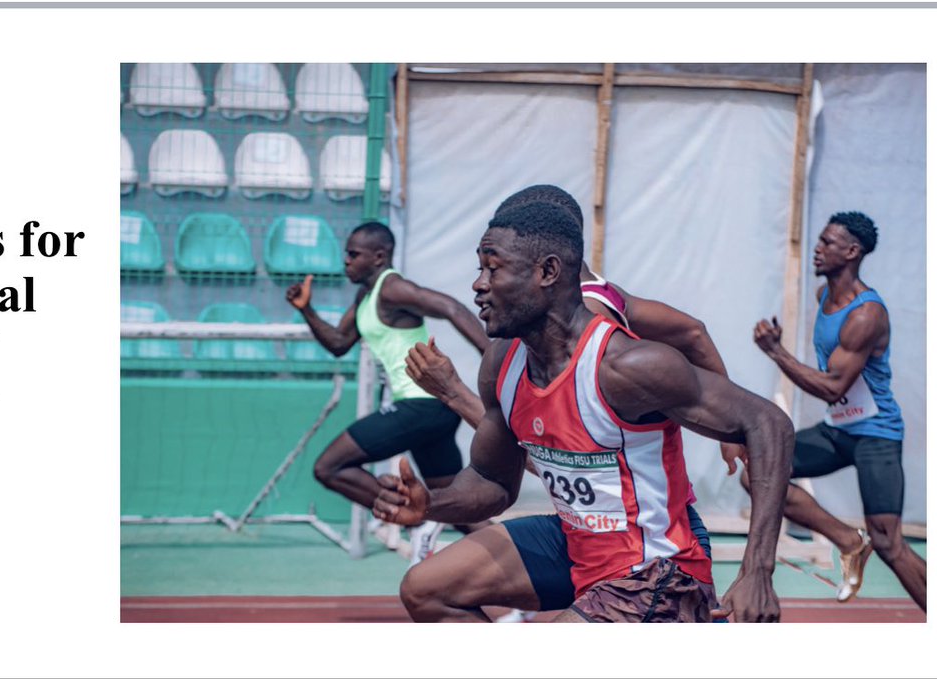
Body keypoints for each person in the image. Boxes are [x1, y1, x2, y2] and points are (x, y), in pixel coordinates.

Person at [373, 201, 793, 622]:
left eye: (492, 268)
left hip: (655, 570)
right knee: (425, 588)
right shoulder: (502, 364)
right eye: (479, 269)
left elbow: (767, 422)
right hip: (576, 545)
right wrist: (431, 504)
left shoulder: (627, 367)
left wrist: (757, 570)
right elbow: (492, 481)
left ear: (547, 272)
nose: (478, 285)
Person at [405, 184, 746, 475]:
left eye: (498, 263)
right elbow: (693, 332)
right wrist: (727, 431)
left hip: (626, 514)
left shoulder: (587, 321)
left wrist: (452, 392)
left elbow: (550, 461)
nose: (483, 282)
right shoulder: (602, 292)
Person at [286, 221, 491, 564]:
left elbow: (451, 308)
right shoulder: (365, 295)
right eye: (345, 254)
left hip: (422, 404)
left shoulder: (392, 288)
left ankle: (418, 519)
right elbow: (338, 343)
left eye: (354, 254)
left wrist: (495, 358)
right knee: (456, 507)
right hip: (431, 411)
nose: (345, 261)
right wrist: (306, 310)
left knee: (329, 468)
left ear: (379, 256)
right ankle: (521, 562)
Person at [751, 211, 925, 610]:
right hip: (838, 430)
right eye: (820, 240)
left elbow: (832, 388)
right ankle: (848, 541)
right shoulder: (823, 296)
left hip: (876, 434)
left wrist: (777, 353)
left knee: (888, 542)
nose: (817, 248)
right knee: (761, 469)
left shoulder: (867, 314)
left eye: (828, 243)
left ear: (851, 251)